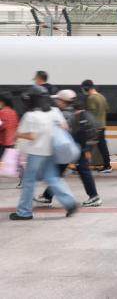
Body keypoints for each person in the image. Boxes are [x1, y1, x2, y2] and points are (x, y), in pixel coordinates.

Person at [10, 86, 78, 220]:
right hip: (50, 152)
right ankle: (70, 203)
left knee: (29, 182)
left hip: (35, 152)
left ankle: (24, 212)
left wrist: (17, 134)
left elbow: (32, 136)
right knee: (52, 178)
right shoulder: (54, 111)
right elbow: (64, 127)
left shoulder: (30, 115)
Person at [35, 90, 102, 207]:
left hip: (71, 147)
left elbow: (62, 130)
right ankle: (47, 196)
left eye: (58, 99)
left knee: (82, 171)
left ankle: (94, 196)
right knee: (59, 171)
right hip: (76, 146)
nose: (56, 101)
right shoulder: (80, 111)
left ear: (63, 101)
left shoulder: (66, 113)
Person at [81, 80, 112, 173]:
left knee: (88, 146)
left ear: (86, 87)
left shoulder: (91, 98)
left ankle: (83, 165)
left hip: (94, 127)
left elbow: (91, 113)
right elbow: (107, 109)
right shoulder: (101, 96)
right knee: (102, 146)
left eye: (83, 88)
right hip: (102, 125)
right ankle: (107, 165)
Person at [0, 92, 18, 157]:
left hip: (2, 143)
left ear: (2, 102)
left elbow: (2, 126)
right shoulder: (13, 112)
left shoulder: (1, 112)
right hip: (11, 142)